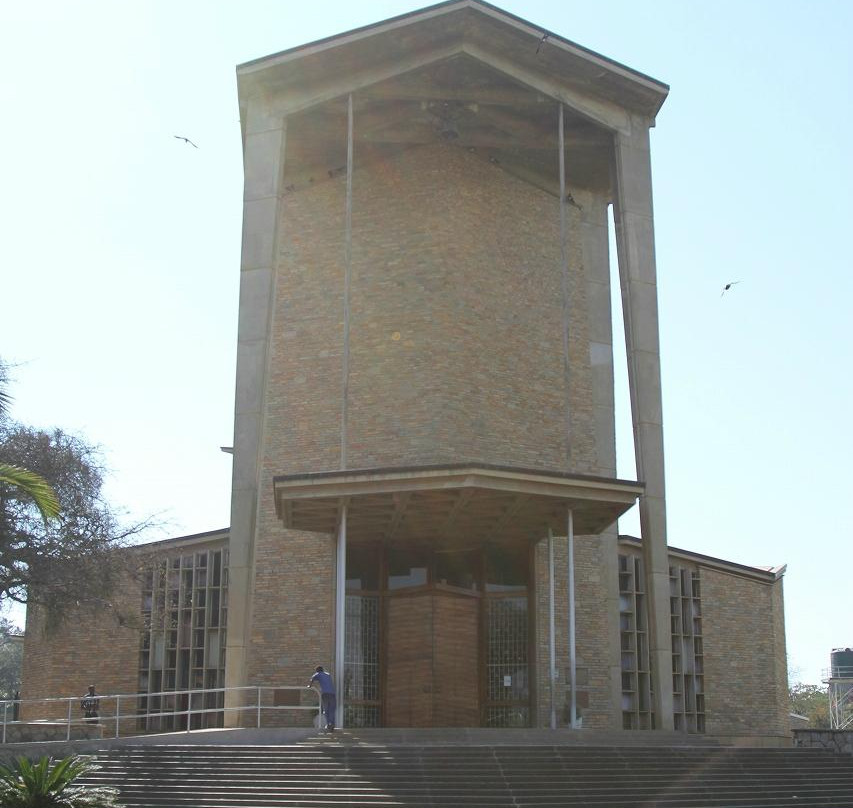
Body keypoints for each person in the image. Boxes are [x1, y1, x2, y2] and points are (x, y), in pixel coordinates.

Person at [308, 666, 336, 732]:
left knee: (326, 709)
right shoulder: (328, 675)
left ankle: (329, 724)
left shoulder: (318, 674)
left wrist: (309, 686)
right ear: (323, 670)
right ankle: (332, 724)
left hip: (325, 694)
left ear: (317, 671)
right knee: (332, 709)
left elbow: (312, 679)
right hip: (332, 694)